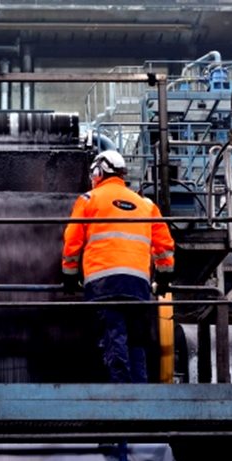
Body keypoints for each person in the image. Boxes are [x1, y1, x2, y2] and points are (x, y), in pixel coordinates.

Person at [61, 150, 175, 383]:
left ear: (99, 172)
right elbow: (164, 246)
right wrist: (162, 279)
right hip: (139, 286)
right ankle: (140, 390)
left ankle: (122, 394)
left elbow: (72, 241)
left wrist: (70, 276)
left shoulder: (89, 200)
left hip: (105, 283)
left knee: (115, 337)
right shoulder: (145, 205)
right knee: (136, 340)